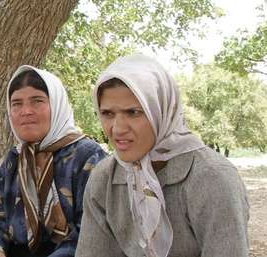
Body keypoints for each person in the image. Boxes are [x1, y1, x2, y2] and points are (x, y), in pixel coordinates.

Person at [76, 54, 249, 257]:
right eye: (107, 114)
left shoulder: (212, 177)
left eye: (133, 112)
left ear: (161, 111)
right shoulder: (104, 179)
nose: (118, 128)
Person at [0, 65, 108, 257]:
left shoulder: (87, 156)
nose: (26, 111)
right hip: (20, 250)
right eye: (16, 103)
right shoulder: (13, 160)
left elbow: (90, 233)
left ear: (57, 105)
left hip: (69, 252)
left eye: (37, 101)